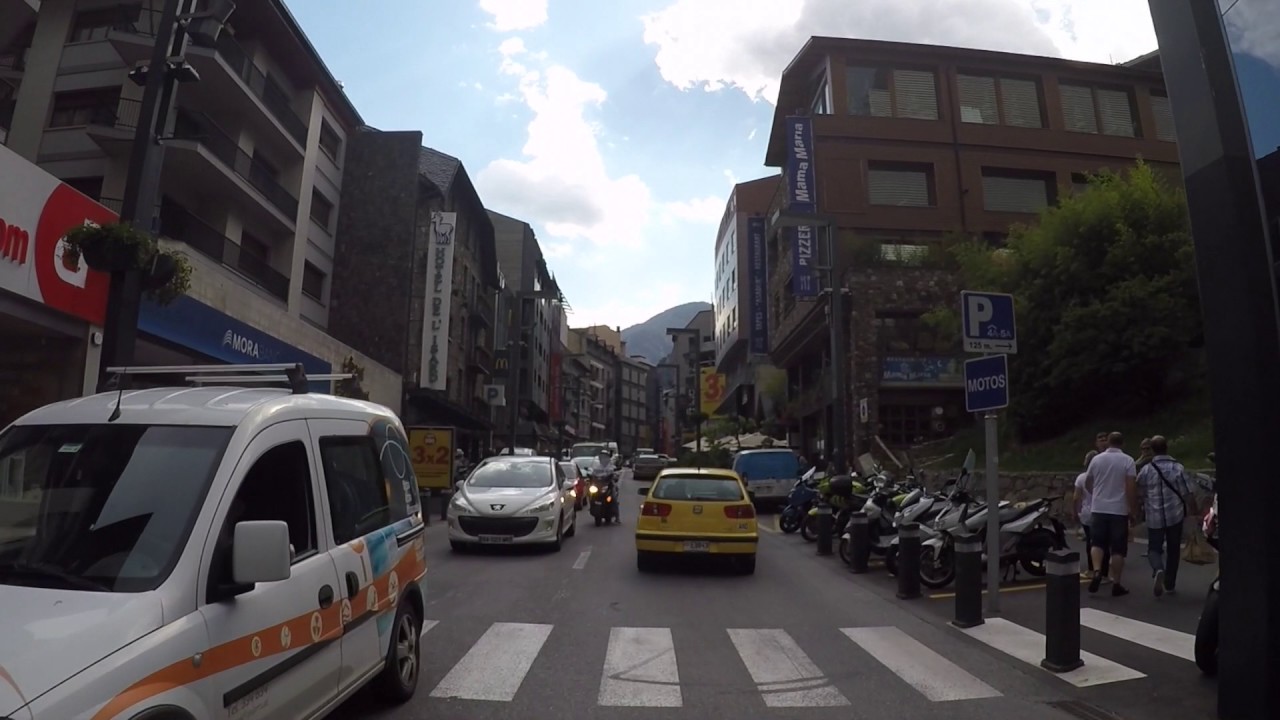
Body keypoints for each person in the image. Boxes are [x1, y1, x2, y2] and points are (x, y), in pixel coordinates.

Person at [1136, 435, 1196, 596]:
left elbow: (1138, 491)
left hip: (1154, 516)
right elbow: (1187, 493)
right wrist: (1193, 511)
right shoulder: (1178, 468)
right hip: (1174, 515)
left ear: (1153, 450)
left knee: (1154, 548)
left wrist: (1138, 510)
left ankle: (1158, 568)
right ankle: (1170, 583)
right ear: (1167, 448)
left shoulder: (1147, 470)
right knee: (1173, 549)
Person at [1085, 432, 1138, 597]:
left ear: (1108, 442)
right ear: (1122, 443)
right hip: (1118, 509)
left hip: (1099, 508)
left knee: (1097, 543)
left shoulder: (1096, 459)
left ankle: (1097, 570)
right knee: (1118, 549)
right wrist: (1132, 509)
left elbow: (1088, 481)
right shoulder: (1128, 460)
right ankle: (1116, 583)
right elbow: (1130, 487)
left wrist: (1096, 494)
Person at [1074, 450, 1110, 580]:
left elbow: (1076, 498)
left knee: (1090, 541)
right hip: (1102, 510)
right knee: (1104, 542)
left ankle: (1092, 569)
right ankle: (1104, 572)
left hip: (1087, 513)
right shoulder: (1104, 477)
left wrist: (1076, 512)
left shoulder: (1081, 478)